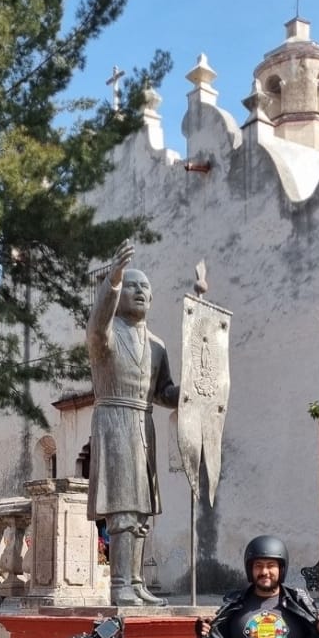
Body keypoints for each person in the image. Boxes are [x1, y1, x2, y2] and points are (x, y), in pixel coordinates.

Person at [86, 239, 181, 606]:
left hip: (144, 425)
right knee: (123, 507)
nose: (140, 291)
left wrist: (191, 397)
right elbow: (96, 327)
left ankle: (137, 581)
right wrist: (112, 279)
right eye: (132, 285)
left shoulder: (157, 345)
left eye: (146, 288)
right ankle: (121, 583)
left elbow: (164, 391)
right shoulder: (106, 335)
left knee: (141, 510)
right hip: (114, 421)